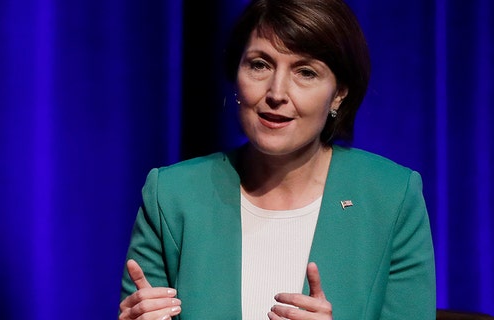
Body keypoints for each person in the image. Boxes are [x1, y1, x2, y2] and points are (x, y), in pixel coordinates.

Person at [118, 0, 436, 319]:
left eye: (305, 72)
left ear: (339, 92)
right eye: (260, 65)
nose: (277, 92)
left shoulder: (391, 196)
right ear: (236, 74)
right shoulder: (171, 194)